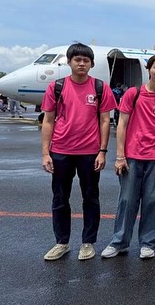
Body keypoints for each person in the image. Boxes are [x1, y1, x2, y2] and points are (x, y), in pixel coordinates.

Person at [101, 54, 155, 260]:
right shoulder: (133, 94)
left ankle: (148, 243)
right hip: (131, 157)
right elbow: (122, 124)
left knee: (154, 201)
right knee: (127, 200)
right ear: (149, 69)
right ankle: (119, 242)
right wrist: (120, 156)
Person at [40, 43, 117, 261]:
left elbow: (105, 120)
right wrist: (46, 153)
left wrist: (102, 151)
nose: (81, 63)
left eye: (86, 60)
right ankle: (61, 242)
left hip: (90, 152)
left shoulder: (100, 87)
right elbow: (48, 120)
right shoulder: (56, 87)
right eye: (77, 60)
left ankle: (88, 242)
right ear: (69, 62)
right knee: (60, 198)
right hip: (60, 151)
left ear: (91, 64)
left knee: (91, 197)